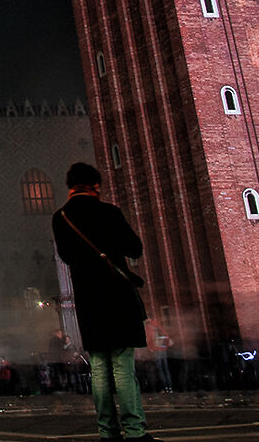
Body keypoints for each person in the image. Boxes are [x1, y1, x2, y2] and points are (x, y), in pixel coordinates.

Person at [51, 162, 153, 442]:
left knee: (98, 369)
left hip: (89, 302)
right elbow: (135, 248)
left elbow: (68, 257)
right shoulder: (109, 212)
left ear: (70, 186)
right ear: (95, 185)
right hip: (118, 298)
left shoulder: (60, 218)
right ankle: (134, 431)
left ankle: (108, 432)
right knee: (122, 367)